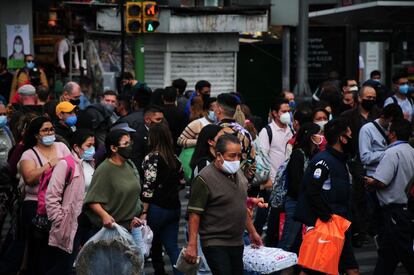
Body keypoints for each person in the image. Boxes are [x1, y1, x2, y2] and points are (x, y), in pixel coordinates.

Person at [184, 134, 262, 275]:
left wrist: (252, 231)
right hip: (215, 242)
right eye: (232, 156)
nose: (236, 160)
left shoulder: (239, 175)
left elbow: (241, 206)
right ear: (218, 155)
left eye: (239, 156)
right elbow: (194, 213)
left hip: (237, 242)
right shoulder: (204, 178)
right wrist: (192, 244)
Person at [295, 119, 359, 275]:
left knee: (347, 267)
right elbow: (312, 191)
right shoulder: (323, 161)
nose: (352, 137)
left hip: (340, 224)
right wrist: (327, 217)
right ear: (341, 138)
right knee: (314, 268)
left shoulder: (341, 160)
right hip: (328, 225)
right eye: (349, 134)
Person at [18, 116, 71, 274]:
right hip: (36, 206)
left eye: (51, 129)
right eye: (45, 130)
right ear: (36, 135)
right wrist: (49, 165)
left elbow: (72, 166)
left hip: (59, 204)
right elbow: (29, 178)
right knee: (39, 250)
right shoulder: (29, 154)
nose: (49, 132)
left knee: (56, 251)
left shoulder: (61, 147)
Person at [364, 118, 414, 275]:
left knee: (405, 251)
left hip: (394, 210)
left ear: (393, 134)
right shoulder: (412, 151)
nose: (386, 132)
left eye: (388, 130)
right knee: (388, 254)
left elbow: (382, 181)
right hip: (407, 208)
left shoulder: (391, 153)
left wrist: (369, 181)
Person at [45, 129, 95, 274]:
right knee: (65, 266)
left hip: (89, 220)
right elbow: (52, 194)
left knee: (88, 262)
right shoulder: (66, 164)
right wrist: (59, 219)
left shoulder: (91, 163)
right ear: (76, 147)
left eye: (93, 145)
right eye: (88, 145)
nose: (92, 148)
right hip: (70, 221)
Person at [140, 123, 186, 275]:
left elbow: (148, 187)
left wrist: (144, 212)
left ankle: (159, 272)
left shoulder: (152, 158)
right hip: (174, 207)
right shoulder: (174, 158)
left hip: (156, 208)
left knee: (154, 244)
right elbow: (182, 182)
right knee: (173, 247)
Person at [341, 84, 381, 247]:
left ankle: (375, 229)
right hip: (354, 161)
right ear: (359, 98)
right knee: (357, 197)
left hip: (377, 162)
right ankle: (359, 231)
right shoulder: (348, 116)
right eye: (367, 97)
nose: (370, 100)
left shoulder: (379, 114)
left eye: (373, 97)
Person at [83, 129, 143, 235]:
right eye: (126, 144)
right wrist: (104, 215)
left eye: (130, 143)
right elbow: (91, 200)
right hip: (113, 229)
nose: (130, 146)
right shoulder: (104, 169)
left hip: (132, 226)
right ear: (114, 148)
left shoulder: (129, 164)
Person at [278, 123, 321, 253]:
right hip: (296, 203)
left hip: (307, 203)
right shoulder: (298, 154)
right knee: (288, 242)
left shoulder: (315, 154)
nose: (321, 136)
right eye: (318, 133)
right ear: (310, 136)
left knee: (302, 243)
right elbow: (295, 184)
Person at [257, 98, 293, 246]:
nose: (287, 114)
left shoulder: (291, 130)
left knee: (280, 217)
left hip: (286, 183)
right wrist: (267, 180)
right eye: (284, 111)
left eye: (289, 111)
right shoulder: (267, 131)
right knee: (265, 215)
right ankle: (257, 239)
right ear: (274, 113)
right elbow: (262, 156)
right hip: (271, 183)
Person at [131, 106, 164, 177]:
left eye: (162, 119)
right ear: (147, 120)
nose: (161, 122)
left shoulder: (162, 131)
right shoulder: (138, 135)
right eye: (158, 119)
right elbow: (137, 160)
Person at [162, 86, 187, 154]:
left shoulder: (159, 113)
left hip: (162, 147)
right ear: (176, 97)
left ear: (163, 97)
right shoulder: (182, 113)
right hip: (178, 147)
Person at [0, 103, 14, 167]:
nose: (2, 117)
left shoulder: (6, 128)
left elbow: (13, 145)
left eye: (4, 114)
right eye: (0, 114)